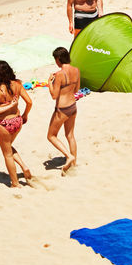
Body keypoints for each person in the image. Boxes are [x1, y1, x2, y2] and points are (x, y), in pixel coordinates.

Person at [0, 60, 33, 188]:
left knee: (7, 153)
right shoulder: (18, 84)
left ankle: (15, 183)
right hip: (17, 121)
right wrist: (25, 115)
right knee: (8, 147)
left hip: (4, 124)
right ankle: (24, 166)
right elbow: (29, 102)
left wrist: (11, 104)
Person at [47, 46, 80, 174]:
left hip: (62, 109)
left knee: (51, 136)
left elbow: (54, 95)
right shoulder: (76, 70)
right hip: (73, 106)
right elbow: (76, 90)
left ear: (58, 59)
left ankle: (69, 156)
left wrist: (50, 82)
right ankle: (74, 163)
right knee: (70, 135)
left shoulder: (60, 74)